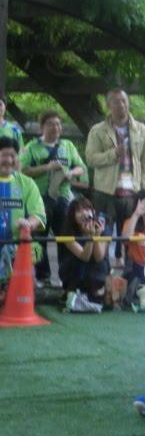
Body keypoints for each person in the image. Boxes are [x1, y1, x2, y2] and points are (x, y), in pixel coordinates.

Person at [85, 87, 145, 268]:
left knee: (133, 235)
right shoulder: (97, 130)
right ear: (108, 105)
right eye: (116, 101)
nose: (121, 105)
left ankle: (132, 274)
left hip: (133, 191)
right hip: (105, 191)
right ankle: (102, 274)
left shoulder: (141, 130)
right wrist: (113, 154)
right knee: (103, 233)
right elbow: (91, 159)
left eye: (124, 101)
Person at [20, 110, 87, 285]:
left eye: (58, 124)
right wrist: (47, 167)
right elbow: (22, 170)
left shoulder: (68, 146)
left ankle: (64, 275)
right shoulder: (31, 147)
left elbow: (81, 167)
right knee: (39, 237)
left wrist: (71, 173)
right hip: (39, 198)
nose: (55, 127)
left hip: (63, 197)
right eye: (50, 124)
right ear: (42, 127)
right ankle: (41, 275)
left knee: (65, 235)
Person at [0, 136, 46, 306]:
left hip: (18, 248)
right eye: (4, 155)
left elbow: (38, 215)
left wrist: (29, 223)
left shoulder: (28, 184)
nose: (9, 160)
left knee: (23, 295)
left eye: (13, 155)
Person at [58, 196, 110, 304]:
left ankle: (96, 291)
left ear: (93, 212)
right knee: (78, 261)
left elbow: (99, 257)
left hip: (95, 270)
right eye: (78, 211)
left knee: (101, 263)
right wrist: (90, 237)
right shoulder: (68, 232)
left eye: (87, 209)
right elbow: (84, 257)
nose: (84, 213)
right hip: (73, 270)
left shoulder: (101, 228)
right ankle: (71, 291)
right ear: (72, 215)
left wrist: (97, 236)